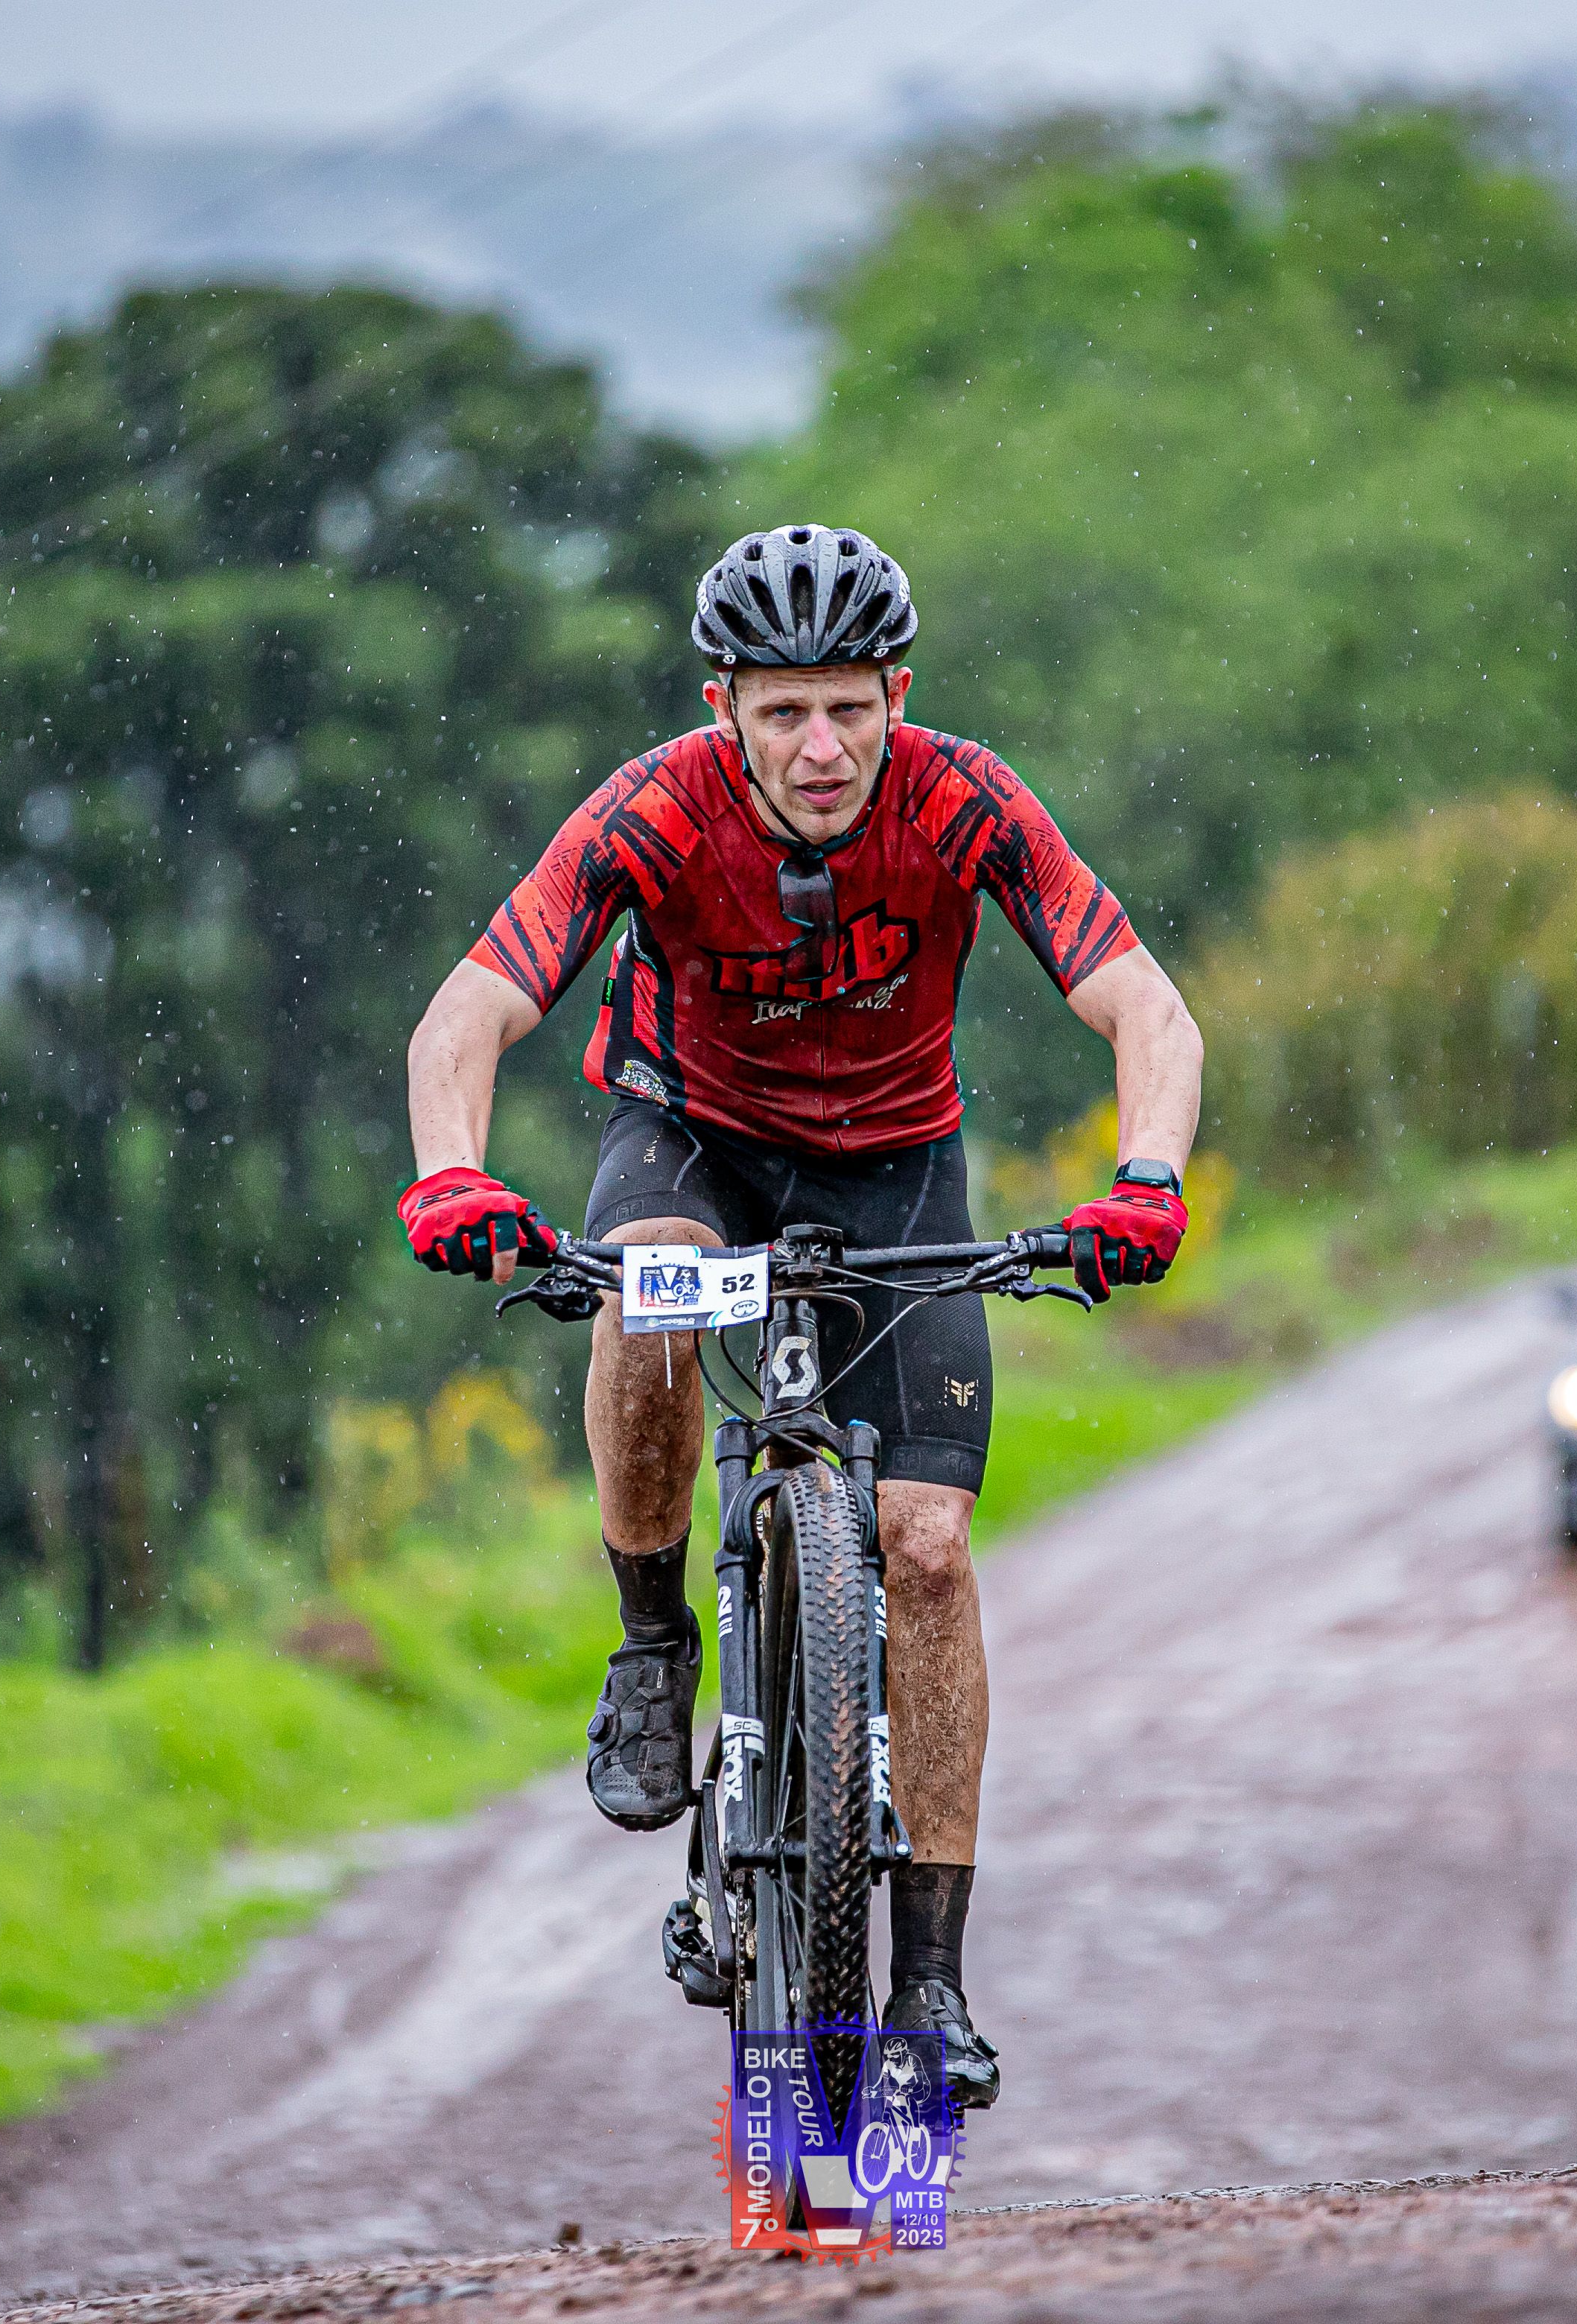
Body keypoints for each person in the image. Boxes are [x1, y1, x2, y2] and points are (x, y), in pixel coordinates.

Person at [397, 524, 1204, 2109]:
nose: (821, 748)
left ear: (899, 692)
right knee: (645, 1290)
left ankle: (931, 1982)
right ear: (726, 709)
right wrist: (453, 1176)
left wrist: (1148, 1177)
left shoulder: (964, 799)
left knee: (930, 1549)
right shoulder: (654, 809)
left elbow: (1143, 1002)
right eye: (784, 714)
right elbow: (469, 1010)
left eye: (849, 707)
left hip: (897, 1165)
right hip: (690, 1137)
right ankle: (653, 1644)